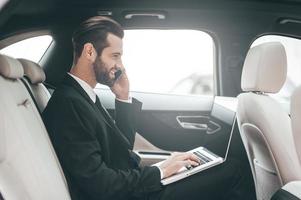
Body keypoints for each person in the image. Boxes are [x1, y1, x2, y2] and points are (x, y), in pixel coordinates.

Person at [42, 16, 254, 200]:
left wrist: (123, 98)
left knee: (217, 168)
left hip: (131, 188)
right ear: (89, 52)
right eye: (115, 55)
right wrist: (160, 171)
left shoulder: (82, 95)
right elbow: (101, 186)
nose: (120, 65)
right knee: (233, 172)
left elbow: (120, 150)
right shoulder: (68, 104)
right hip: (128, 195)